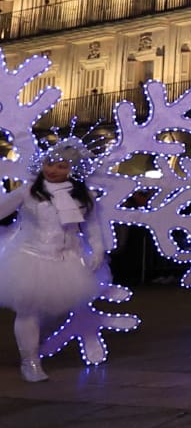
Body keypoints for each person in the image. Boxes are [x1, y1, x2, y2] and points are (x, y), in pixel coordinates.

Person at [0, 139, 111, 381]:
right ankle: (30, 362)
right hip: (29, 257)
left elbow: (92, 226)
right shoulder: (28, 191)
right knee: (27, 309)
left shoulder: (84, 195)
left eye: (62, 166)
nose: (53, 170)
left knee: (50, 309)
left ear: (74, 170)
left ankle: (36, 347)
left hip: (67, 260)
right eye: (50, 163)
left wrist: (98, 250)